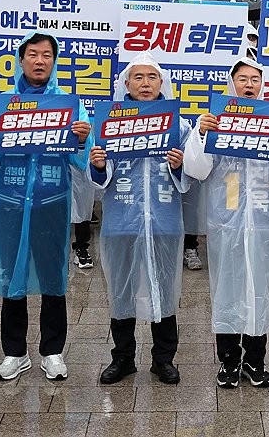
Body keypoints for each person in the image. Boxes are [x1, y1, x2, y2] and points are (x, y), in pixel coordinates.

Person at [0, 32, 92, 382]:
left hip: (51, 202)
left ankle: (52, 351)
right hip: (10, 202)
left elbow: (82, 158)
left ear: (53, 62)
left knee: (53, 277)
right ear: (20, 59)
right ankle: (15, 353)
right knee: (13, 277)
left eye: (46, 55)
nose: (40, 61)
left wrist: (84, 138)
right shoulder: (2, 104)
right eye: (33, 54)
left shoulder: (69, 104)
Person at [185, 57, 269, 388]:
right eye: (243, 79)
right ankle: (228, 362)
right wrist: (201, 133)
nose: (249, 84)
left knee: (259, 290)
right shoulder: (214, 119)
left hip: (265, 221)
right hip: (227, 221)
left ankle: (255, 360)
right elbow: (197, 169)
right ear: (231, 83)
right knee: (227, 289)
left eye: (255, 79)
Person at [89, 53, 190, 385]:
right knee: (122, 289)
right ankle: (123, 357)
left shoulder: (179, 124)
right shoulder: (109, 122)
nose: (145, 84)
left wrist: (179, 166)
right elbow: (99, 177)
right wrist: (100, 164)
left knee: (165, 288)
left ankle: (164, 359)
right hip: (122, 219)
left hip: (164, 219)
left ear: (162, 83)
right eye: (138, 77)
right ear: (126, 84)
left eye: (151, 77)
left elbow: (191, 176)